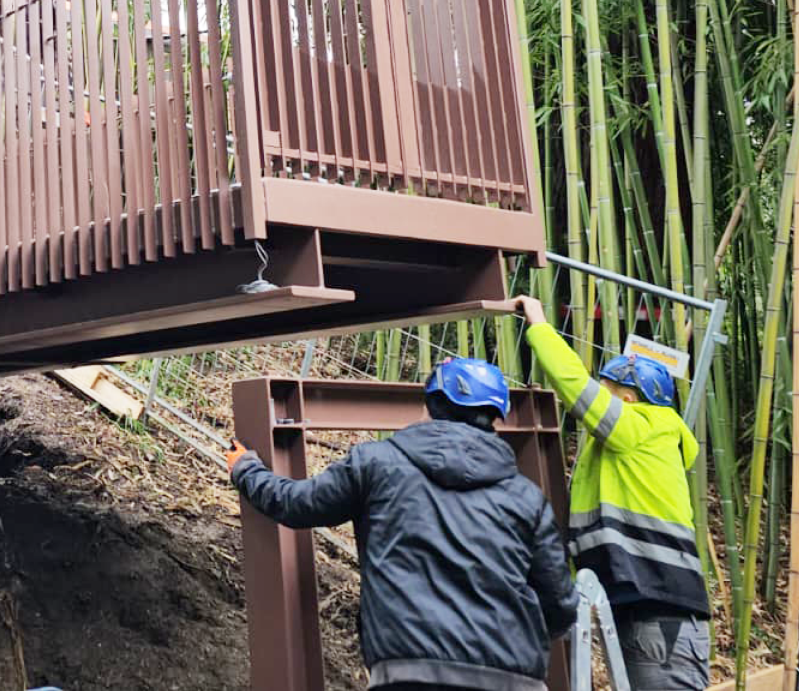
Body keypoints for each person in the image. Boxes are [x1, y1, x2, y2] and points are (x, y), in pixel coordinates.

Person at [229, 357, 577, 691]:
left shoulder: (376, 464)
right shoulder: (526, 497)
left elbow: (297, 505)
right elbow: (560, 606)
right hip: (514, 678)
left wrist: (246, 469)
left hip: (410, 671)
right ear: (494, 419)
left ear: (428, 407)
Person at [513, 294, 711, 691]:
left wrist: (538, 324)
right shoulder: (617, 450)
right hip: (642, 609)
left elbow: (576, 388)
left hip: (660, 613)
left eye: (606, 387)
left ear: (629, 398)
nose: (598, 392)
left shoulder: (646, 428)